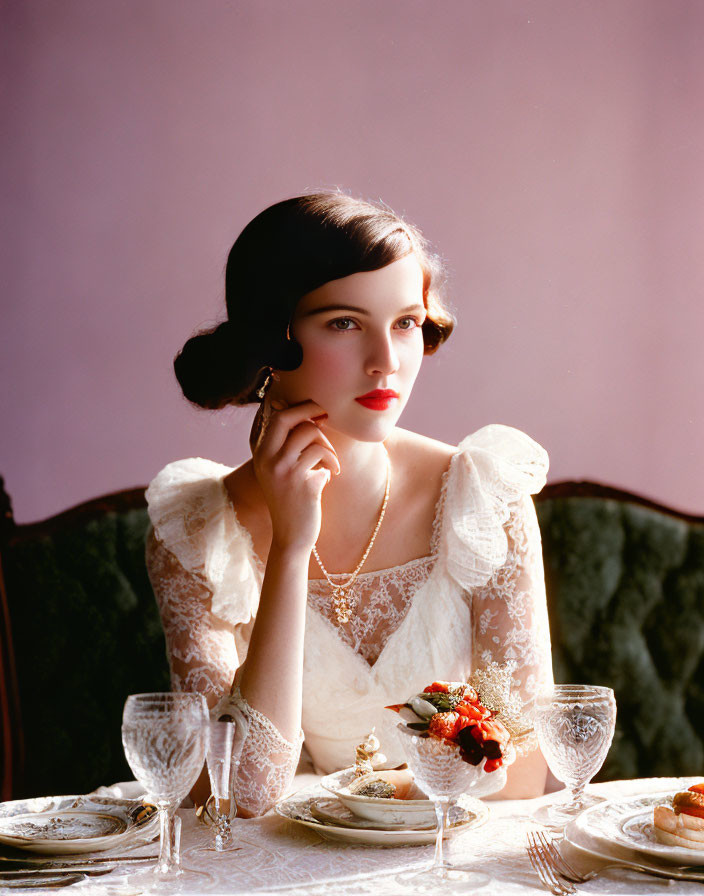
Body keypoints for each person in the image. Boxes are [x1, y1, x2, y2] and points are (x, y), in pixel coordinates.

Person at [145, 191, 553, 817]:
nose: (386, 363)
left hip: (454, 859)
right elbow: (236, 795)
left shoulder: (482, 497)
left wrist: (381, 811)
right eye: (343, 323)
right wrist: (289, 550)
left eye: (406, 323)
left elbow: (524, 770)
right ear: (272, 342)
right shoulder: (198, 530)